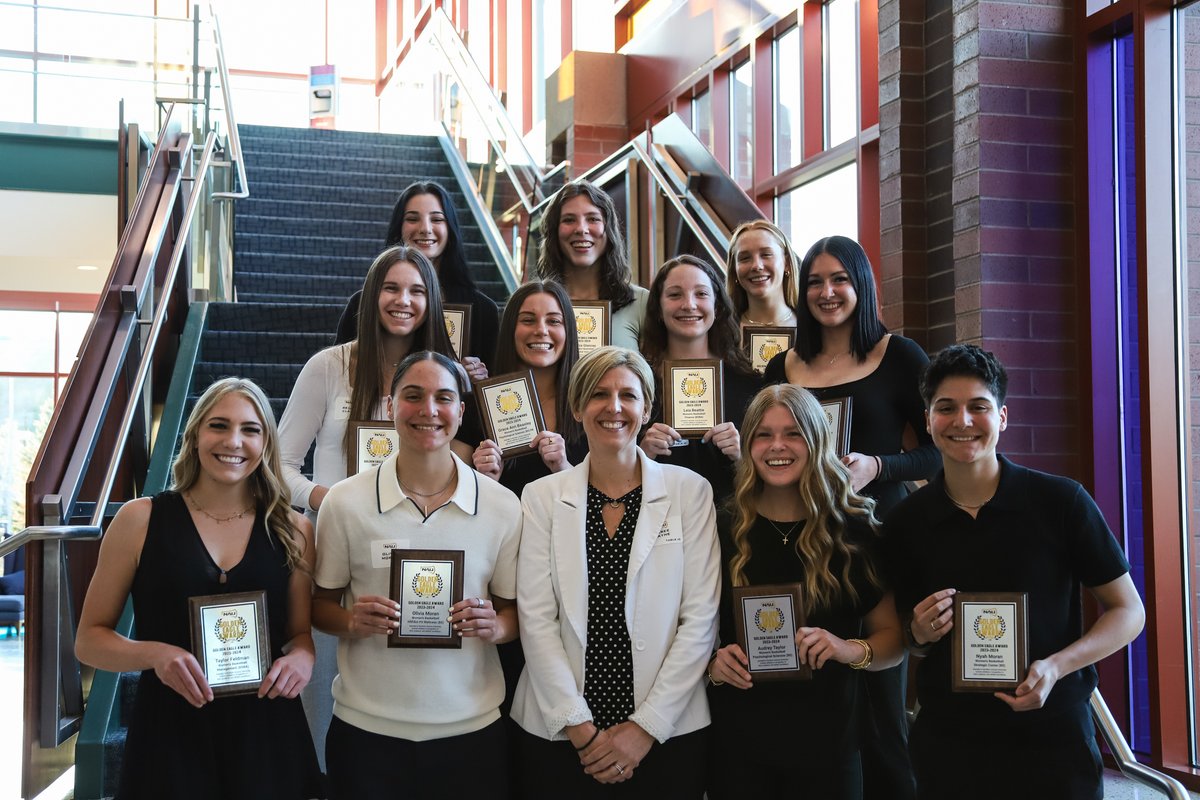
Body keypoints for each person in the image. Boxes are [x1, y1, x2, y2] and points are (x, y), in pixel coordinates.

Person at [887, 344, 1144, 800]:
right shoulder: (906, 521)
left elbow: (1128, 612)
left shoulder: (1061, 502)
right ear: (927, 420)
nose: (962, 421)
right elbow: (906, 635)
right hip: (950, 746)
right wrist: (918, 632)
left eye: (978, 407)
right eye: (946, 408)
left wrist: (1057, 666)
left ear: (1002, 417)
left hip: (1053, 741)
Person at [75, 378, 324, 800]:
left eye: (250, 429)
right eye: (219, 425)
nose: (234, 441)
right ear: (194, 435)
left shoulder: (294, 529)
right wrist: (156, 654)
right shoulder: (140, 520)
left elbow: (300, 634)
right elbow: (89, 642)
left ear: (266, 443)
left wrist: (304, 657)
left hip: (266, 736)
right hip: (169, 733)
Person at [762, 234, 938, 798]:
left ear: (861, 284)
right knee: (816, 692)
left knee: (883, 708)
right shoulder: (783, 365)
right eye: (815, 281)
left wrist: (879, 466)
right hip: (805, 546)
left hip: (878, 544)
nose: (827, 292)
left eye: (840, 279)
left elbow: (938, 452)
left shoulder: (900, 356)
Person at [311, 351, 522, 800]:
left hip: (471, 733)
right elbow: (319, 607)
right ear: (390, 406)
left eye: (443, 398)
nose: (429, 410)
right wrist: (350, 621)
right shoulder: (344, 502)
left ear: (461, 411)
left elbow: (514, 614)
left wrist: (496, 626)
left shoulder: (503, 505)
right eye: (413, 396)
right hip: (367, 733)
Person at [512, 346, 720, 799]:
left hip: (667, 730)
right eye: (598, 394)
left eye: (628, 395)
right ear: (577, 408)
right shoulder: (541, 497)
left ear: (647, 409)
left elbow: (700, 620)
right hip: (561, 733)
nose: (614, 407)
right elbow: (536, 618)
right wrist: (580, 729)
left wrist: (645, 728)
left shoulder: (690, 492)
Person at [278, 244, 459, 758]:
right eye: (392, 288)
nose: (404, 300)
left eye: (417, 291)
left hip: (418, 549)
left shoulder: (440, 377)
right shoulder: (329, 366)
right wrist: (330, 499)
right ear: (372, 294)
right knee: (325, 691)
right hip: (332, 548)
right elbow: (278, 463)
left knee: (401, 682)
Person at [705, 384, 902, 798]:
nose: (777, 446)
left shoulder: (854, 529)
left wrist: (846, 649)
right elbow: (688, 628)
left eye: (793, 434)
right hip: (739, 744)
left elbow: (894, 641)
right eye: (764, 434)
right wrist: (712, 665)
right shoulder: (721, 528)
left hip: (829, 746)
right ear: (748, 444)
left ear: (817, 441)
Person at [335, 180, 498, 376]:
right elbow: (339, 373)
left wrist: (476, 380)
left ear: (450, 229)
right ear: (399, 227)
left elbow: (497, 384)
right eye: (413, 219)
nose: (425, 228)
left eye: (437, 219)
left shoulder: (483, 311)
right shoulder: (362, 304)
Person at [638, 254, 762, 500]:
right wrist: (642, 454)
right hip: (659, 516)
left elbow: (772, 479)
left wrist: (742, 457)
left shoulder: (749, 384)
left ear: (717, 306)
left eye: (701, 294)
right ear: (658, 309)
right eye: (675, 295)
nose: (689, 304)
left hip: (731, 518)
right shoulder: (637, 384)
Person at [472, 280, 588, 496]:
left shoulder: (591, 406)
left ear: (569, 331)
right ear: (510, 329)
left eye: (553, 321)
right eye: (528, 320)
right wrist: (483, 481)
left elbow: (604, 497)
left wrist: (563, 468)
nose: (541, 330)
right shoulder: (476, 406)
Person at [536, 180, 649, 350]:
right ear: (554, 231)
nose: (581, 229)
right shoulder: (533, 302)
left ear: (608, 230)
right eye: (569, 220)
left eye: (593, 219)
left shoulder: (641, 302)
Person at [725, 219, 801, 330]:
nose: (757, 266)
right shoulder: (721, 330)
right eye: (745, 258)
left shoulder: (813, 327)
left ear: (787, 263)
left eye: (766, 255)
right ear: (734, 270)